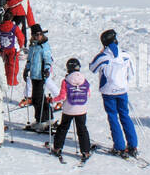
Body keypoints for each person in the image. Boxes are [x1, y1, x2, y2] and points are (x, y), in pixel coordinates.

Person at [89, 29, 138, 158]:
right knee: (125, 116)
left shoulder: (103, 57)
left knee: (113, 117)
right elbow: (131, 73)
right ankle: (133, 145)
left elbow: (92, 68)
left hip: (108, 91)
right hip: (122, 90)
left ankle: (119, 146)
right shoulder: (126, 55)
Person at [50, 58, 94, 163]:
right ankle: (86, 151)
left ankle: (57, 148)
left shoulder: (66, 81)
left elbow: (62, 96)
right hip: (81, 109)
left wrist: (52, 100)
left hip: (69, 109)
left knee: (63, 128)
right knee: (82, 130)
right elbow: (88, 94)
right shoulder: (85, 80)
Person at [21, 24, 54, 131]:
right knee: (39, 97)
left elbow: (48, 59)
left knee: (37, 99)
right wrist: (27, 69)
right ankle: (47, 118)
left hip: (41, 75)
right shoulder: (33, 46)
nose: (38, 36)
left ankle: (41, 120)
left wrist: (47, 69)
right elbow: (30, 59)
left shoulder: (44, 46)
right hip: (34, 75)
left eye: (40, 34)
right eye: (36, 35)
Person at [0, 18, 21, 87]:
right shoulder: (14, 27)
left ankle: (4, 79)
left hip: (2, 49)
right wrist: (20, 45)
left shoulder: (0, 26)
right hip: (12, 49)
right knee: (13, 65)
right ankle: (11, 81)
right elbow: (21, 37)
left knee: (4, 64)